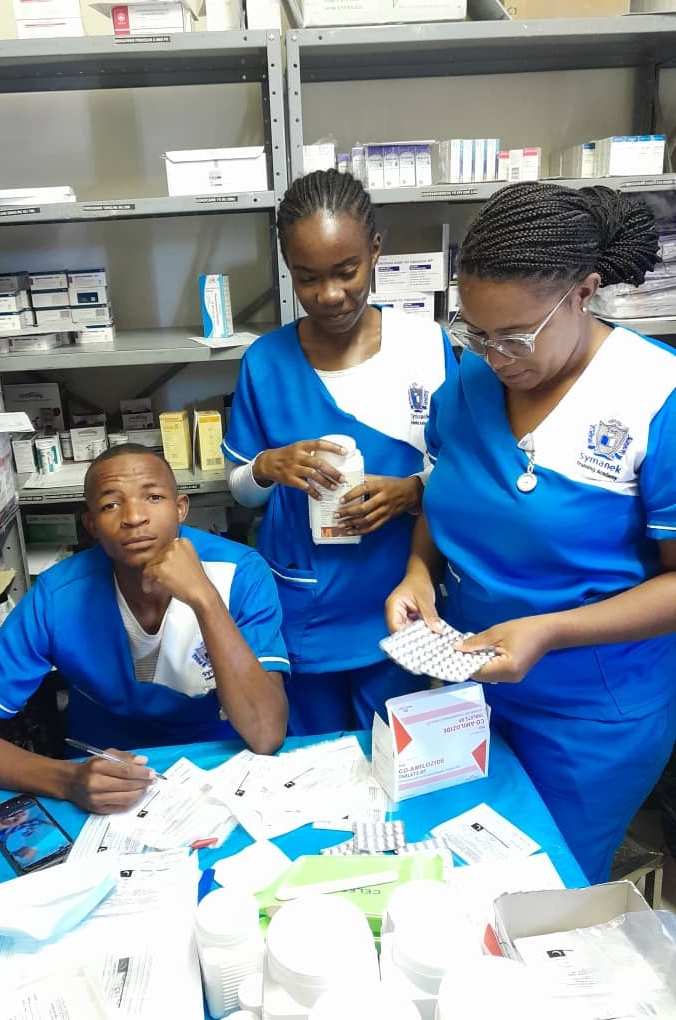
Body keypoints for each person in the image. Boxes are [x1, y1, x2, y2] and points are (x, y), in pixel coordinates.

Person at [386, 181, 676, 885]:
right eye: (474, 332)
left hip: (589, 711)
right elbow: (444, 496)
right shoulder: (472, 381)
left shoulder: (654, 397)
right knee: (458, 875)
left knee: (538, 891)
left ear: (583, 292)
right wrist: (419, 573)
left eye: (514, 336)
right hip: (471, 686)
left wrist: (548, 631)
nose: (494, 357)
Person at [0, 444, 289, 813]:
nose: (134, 517)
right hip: (102, 770)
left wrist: (205, 599)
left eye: (153, 497)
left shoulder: (239, 573)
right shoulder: (59, 595)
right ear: (92, 525)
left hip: (217, 759)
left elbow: (265, 733)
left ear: (180, 508)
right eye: (111, 504)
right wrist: (66, 780)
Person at [223, 169, 456, 734]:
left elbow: (459, 471)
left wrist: (411, 492)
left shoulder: (425, 345)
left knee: (394, 759)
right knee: (311, 763)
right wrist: (265, 467)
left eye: (346, 271)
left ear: (375, 251)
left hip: (397, 598)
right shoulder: (266, 361)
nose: (329, 295)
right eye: (307, 278)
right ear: (288, 269)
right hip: (304, 605)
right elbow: (243, 492)